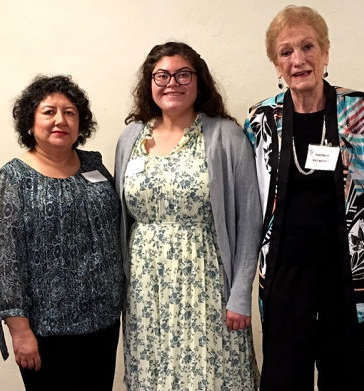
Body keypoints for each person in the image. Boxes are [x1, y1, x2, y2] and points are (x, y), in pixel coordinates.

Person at [243, 6, 364, 390]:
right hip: (285, 271)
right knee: (283, 378)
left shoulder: (359, 108)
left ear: (325, 53)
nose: (298, 59)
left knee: (344, 376)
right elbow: (254, 200)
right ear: (276, 64)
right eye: (286, 52)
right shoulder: (261, 118)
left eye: (308, 46)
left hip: (346, 271)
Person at [115, 41, 261, 390]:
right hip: (145, 289)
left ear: (199, 81)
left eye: (183, 74)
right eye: (161, 75)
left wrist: (240, 293)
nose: (172, 83)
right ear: (149, 83)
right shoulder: (130, 138)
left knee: (210, 375)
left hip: (206, 284)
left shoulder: (225, 135)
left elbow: (250, 220)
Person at [0, 75, 123, 390]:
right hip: (46, 329)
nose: (60, 120)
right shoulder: (13, 179)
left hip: (104, 320)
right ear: (30, 122)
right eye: (49, 112)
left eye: (70, 112)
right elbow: (2, 261)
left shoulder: (94, 166)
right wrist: (20, 331)